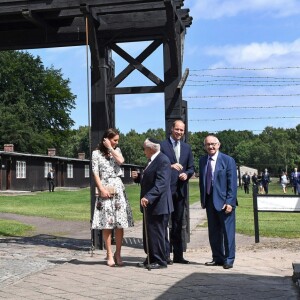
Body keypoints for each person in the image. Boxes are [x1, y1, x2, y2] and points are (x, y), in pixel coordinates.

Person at [91, 128, 134, 267]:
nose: (116, 142)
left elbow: (121, 161)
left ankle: (118, 253)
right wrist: (101, 189)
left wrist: (111, 148)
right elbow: (95, 173)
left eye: (117, 141)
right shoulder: (96, 153)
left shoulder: (117, 151)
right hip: (105, 188)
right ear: (106, 138)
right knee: (107, 223)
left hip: (117, 187)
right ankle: (109, 253)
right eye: (114, 140)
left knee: (120, 223)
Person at [133, 138, 173, 269]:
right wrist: (139, 177)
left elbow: (161, 183)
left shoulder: (163, 160)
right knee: (150, 233)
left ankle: (160, 261)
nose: (143, 151)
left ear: (151, 149)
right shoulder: (152, 160)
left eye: (144, 148)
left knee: (157, 233)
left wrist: (149, 197)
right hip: (150, 206)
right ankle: (151, 257)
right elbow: (151, 178)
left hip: (159, 204)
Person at [199, 134, 237, 269]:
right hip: (209, 202)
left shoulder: (228, 160)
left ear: (218, 145)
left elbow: (232, 183)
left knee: (228, 232)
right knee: (214, 232)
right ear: (205, 147)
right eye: (208, 144)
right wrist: (203, 199)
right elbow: (202, 181)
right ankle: (217, 257)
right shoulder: (203, 160)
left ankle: (229, 259)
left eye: (213, 144)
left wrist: (230, 202)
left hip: (225, 203)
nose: (211, 147)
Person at [160, 120, 195, 264]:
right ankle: (166, 254)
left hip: (180, 192)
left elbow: (192, 168)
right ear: (171, 129)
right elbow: (156, 164)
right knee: (164, 224)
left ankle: (178, 255)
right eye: (177, 129)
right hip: (166, 191)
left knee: (178, 224)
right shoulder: (162, 146)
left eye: (182, 130)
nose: (179, 132)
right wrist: (170, 165)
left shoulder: (187, 148)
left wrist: (187, 174)